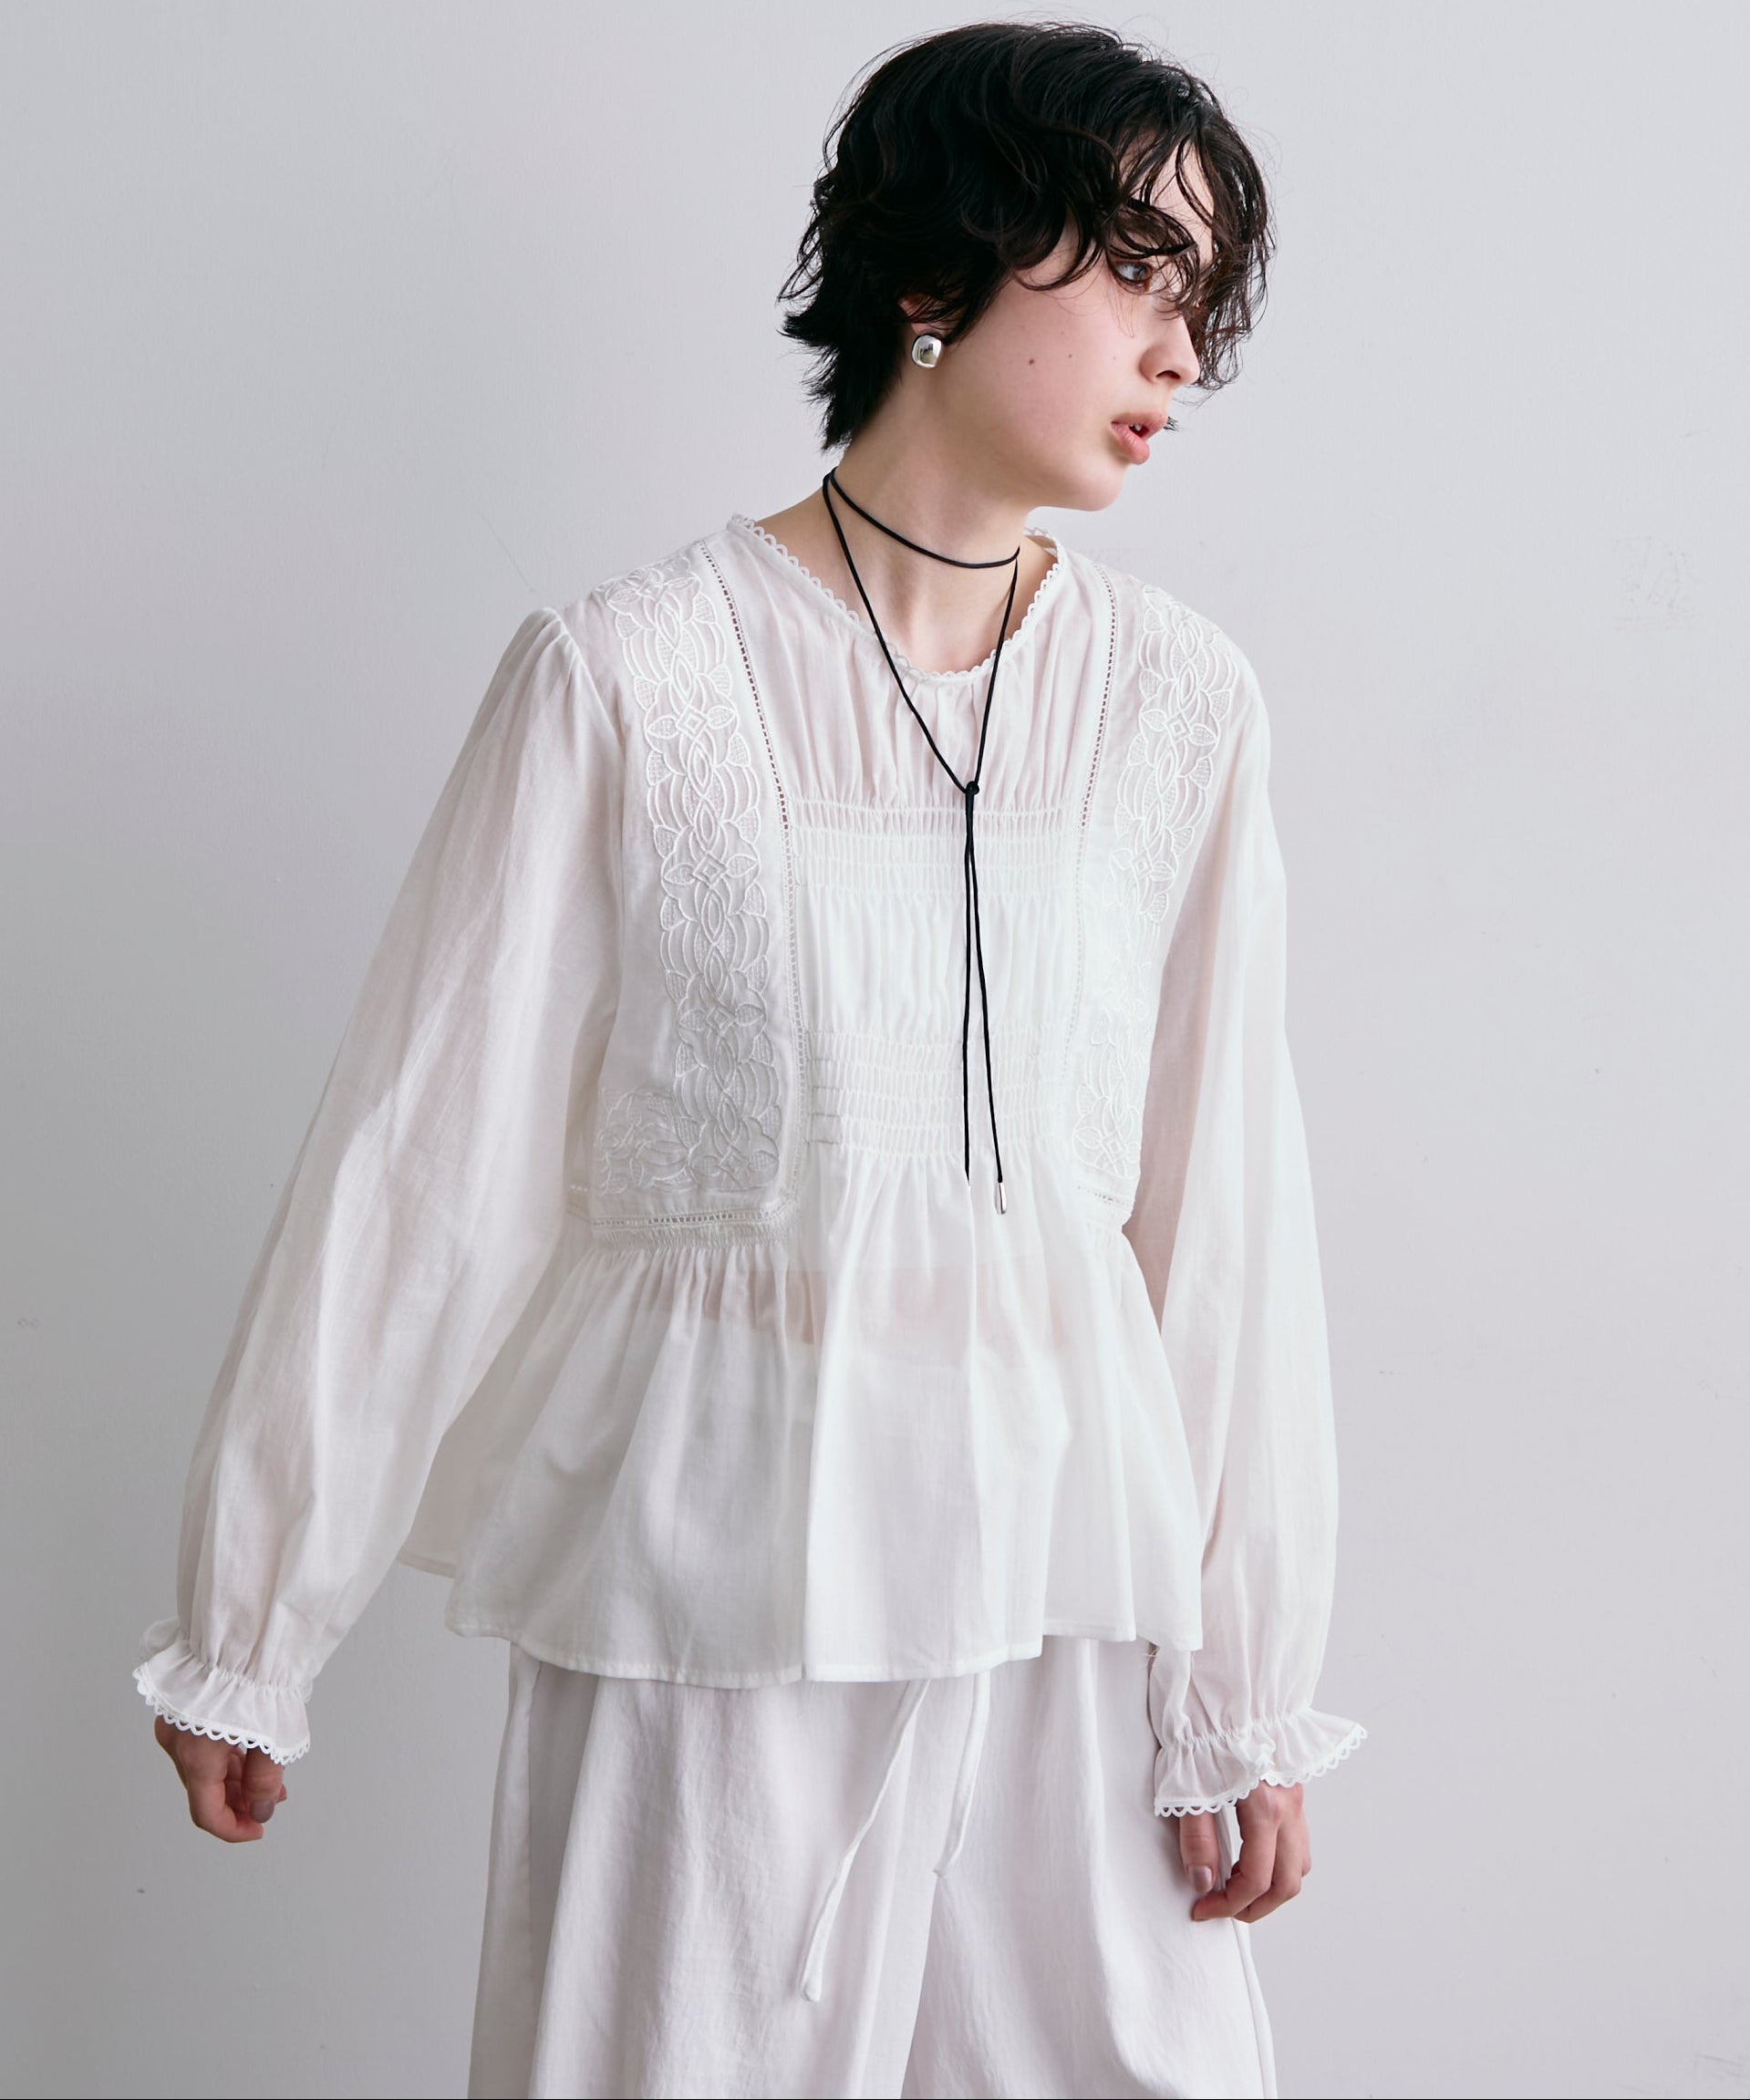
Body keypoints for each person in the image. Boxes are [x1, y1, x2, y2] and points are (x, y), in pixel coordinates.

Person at [138, 20, 1363, 2098]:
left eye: (1204, 297)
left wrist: (1240, 1688)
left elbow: (1219, 1208)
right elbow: (427, 1156)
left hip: (1074, 1595)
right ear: (936, 271)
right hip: (712, 1580)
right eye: (1138, 272)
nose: (1183, 351)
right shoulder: (628, 679)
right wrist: (255, 1612)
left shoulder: (1180, 705)